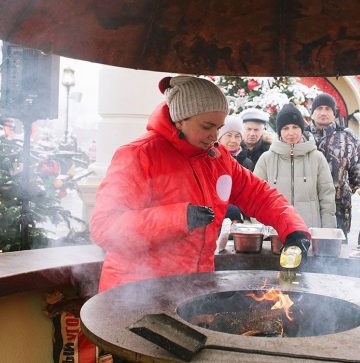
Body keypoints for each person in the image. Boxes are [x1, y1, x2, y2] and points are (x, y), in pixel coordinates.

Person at [91, 75, 311, 291]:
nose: (214, 136)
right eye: (207, 126)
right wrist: (179, 218)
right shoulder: (138, 155)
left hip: (193, 289)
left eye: (219, 127)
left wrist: (293, 230)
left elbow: (260, 196)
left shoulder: (218, 157)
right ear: (180, 119)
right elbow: (104, 228)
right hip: (135, 292)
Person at [254, 103, 336, 229]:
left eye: (295, 127)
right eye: (285, 128)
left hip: (309, 230)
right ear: (279, 131)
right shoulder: (266, 159)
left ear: (302, 129)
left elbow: (327, 198)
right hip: (275, 231)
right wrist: (261, 229)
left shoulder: (317, 158)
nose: (291, 133)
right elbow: (255, 196)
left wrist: (327, 233)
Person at [306, 93, 360, 238]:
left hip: (338, 208)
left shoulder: (348, 137)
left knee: (335, 254)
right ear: (312, 112)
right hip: (307, 206)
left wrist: (343, 190)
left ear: (334, 114)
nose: (323, 112)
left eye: (328, 109)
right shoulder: (302, 136)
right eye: (319, 108)